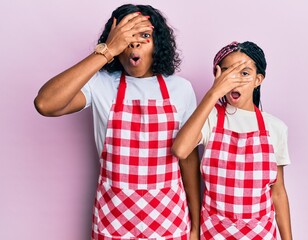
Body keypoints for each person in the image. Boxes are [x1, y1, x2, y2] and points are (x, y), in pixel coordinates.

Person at [34, 4, 200, 240]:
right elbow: (45, 103)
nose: (135, 43)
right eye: (127, 35)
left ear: (158, 43)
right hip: (113, 221)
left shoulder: (180, 89)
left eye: (144, 35)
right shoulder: (101, 84)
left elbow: (189, 159)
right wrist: (106, 50)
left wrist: (195, 224)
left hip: (169, 220)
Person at [172, 41, 293, 239]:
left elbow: (278, 193)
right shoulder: (210, 119)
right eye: (227, 72)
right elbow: (180, 150)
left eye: (244, 73)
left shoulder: (275, 128)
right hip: (215, 231)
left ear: (258, 79)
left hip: (260, 233)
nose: (234, 80)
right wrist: (214, 93)